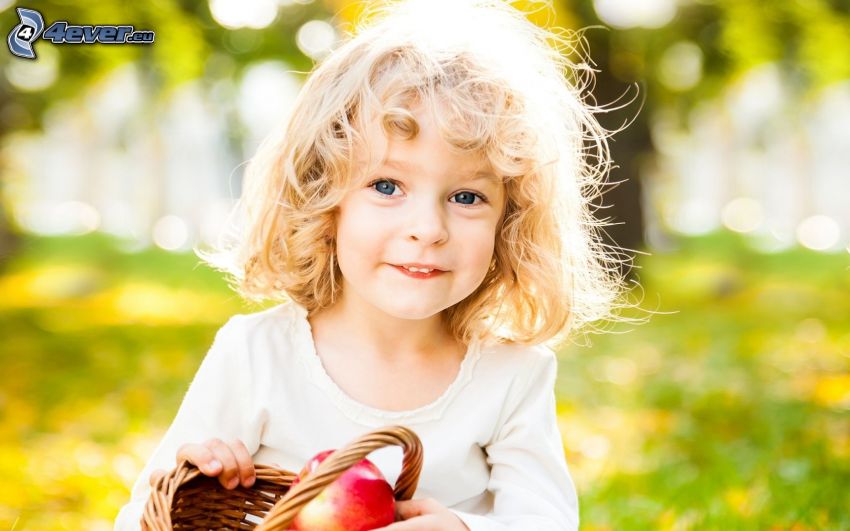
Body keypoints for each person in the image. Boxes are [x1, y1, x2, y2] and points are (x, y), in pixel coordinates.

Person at [114, 0, 638, 529]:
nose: (428, 228)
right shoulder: (256, 355)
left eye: (466, 197)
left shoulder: (512, 374)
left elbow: (545, 520)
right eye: (386, 186)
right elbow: (140, 517)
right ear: (324, 200)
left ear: (510, 223)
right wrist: (200, 476)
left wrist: (464, 527)